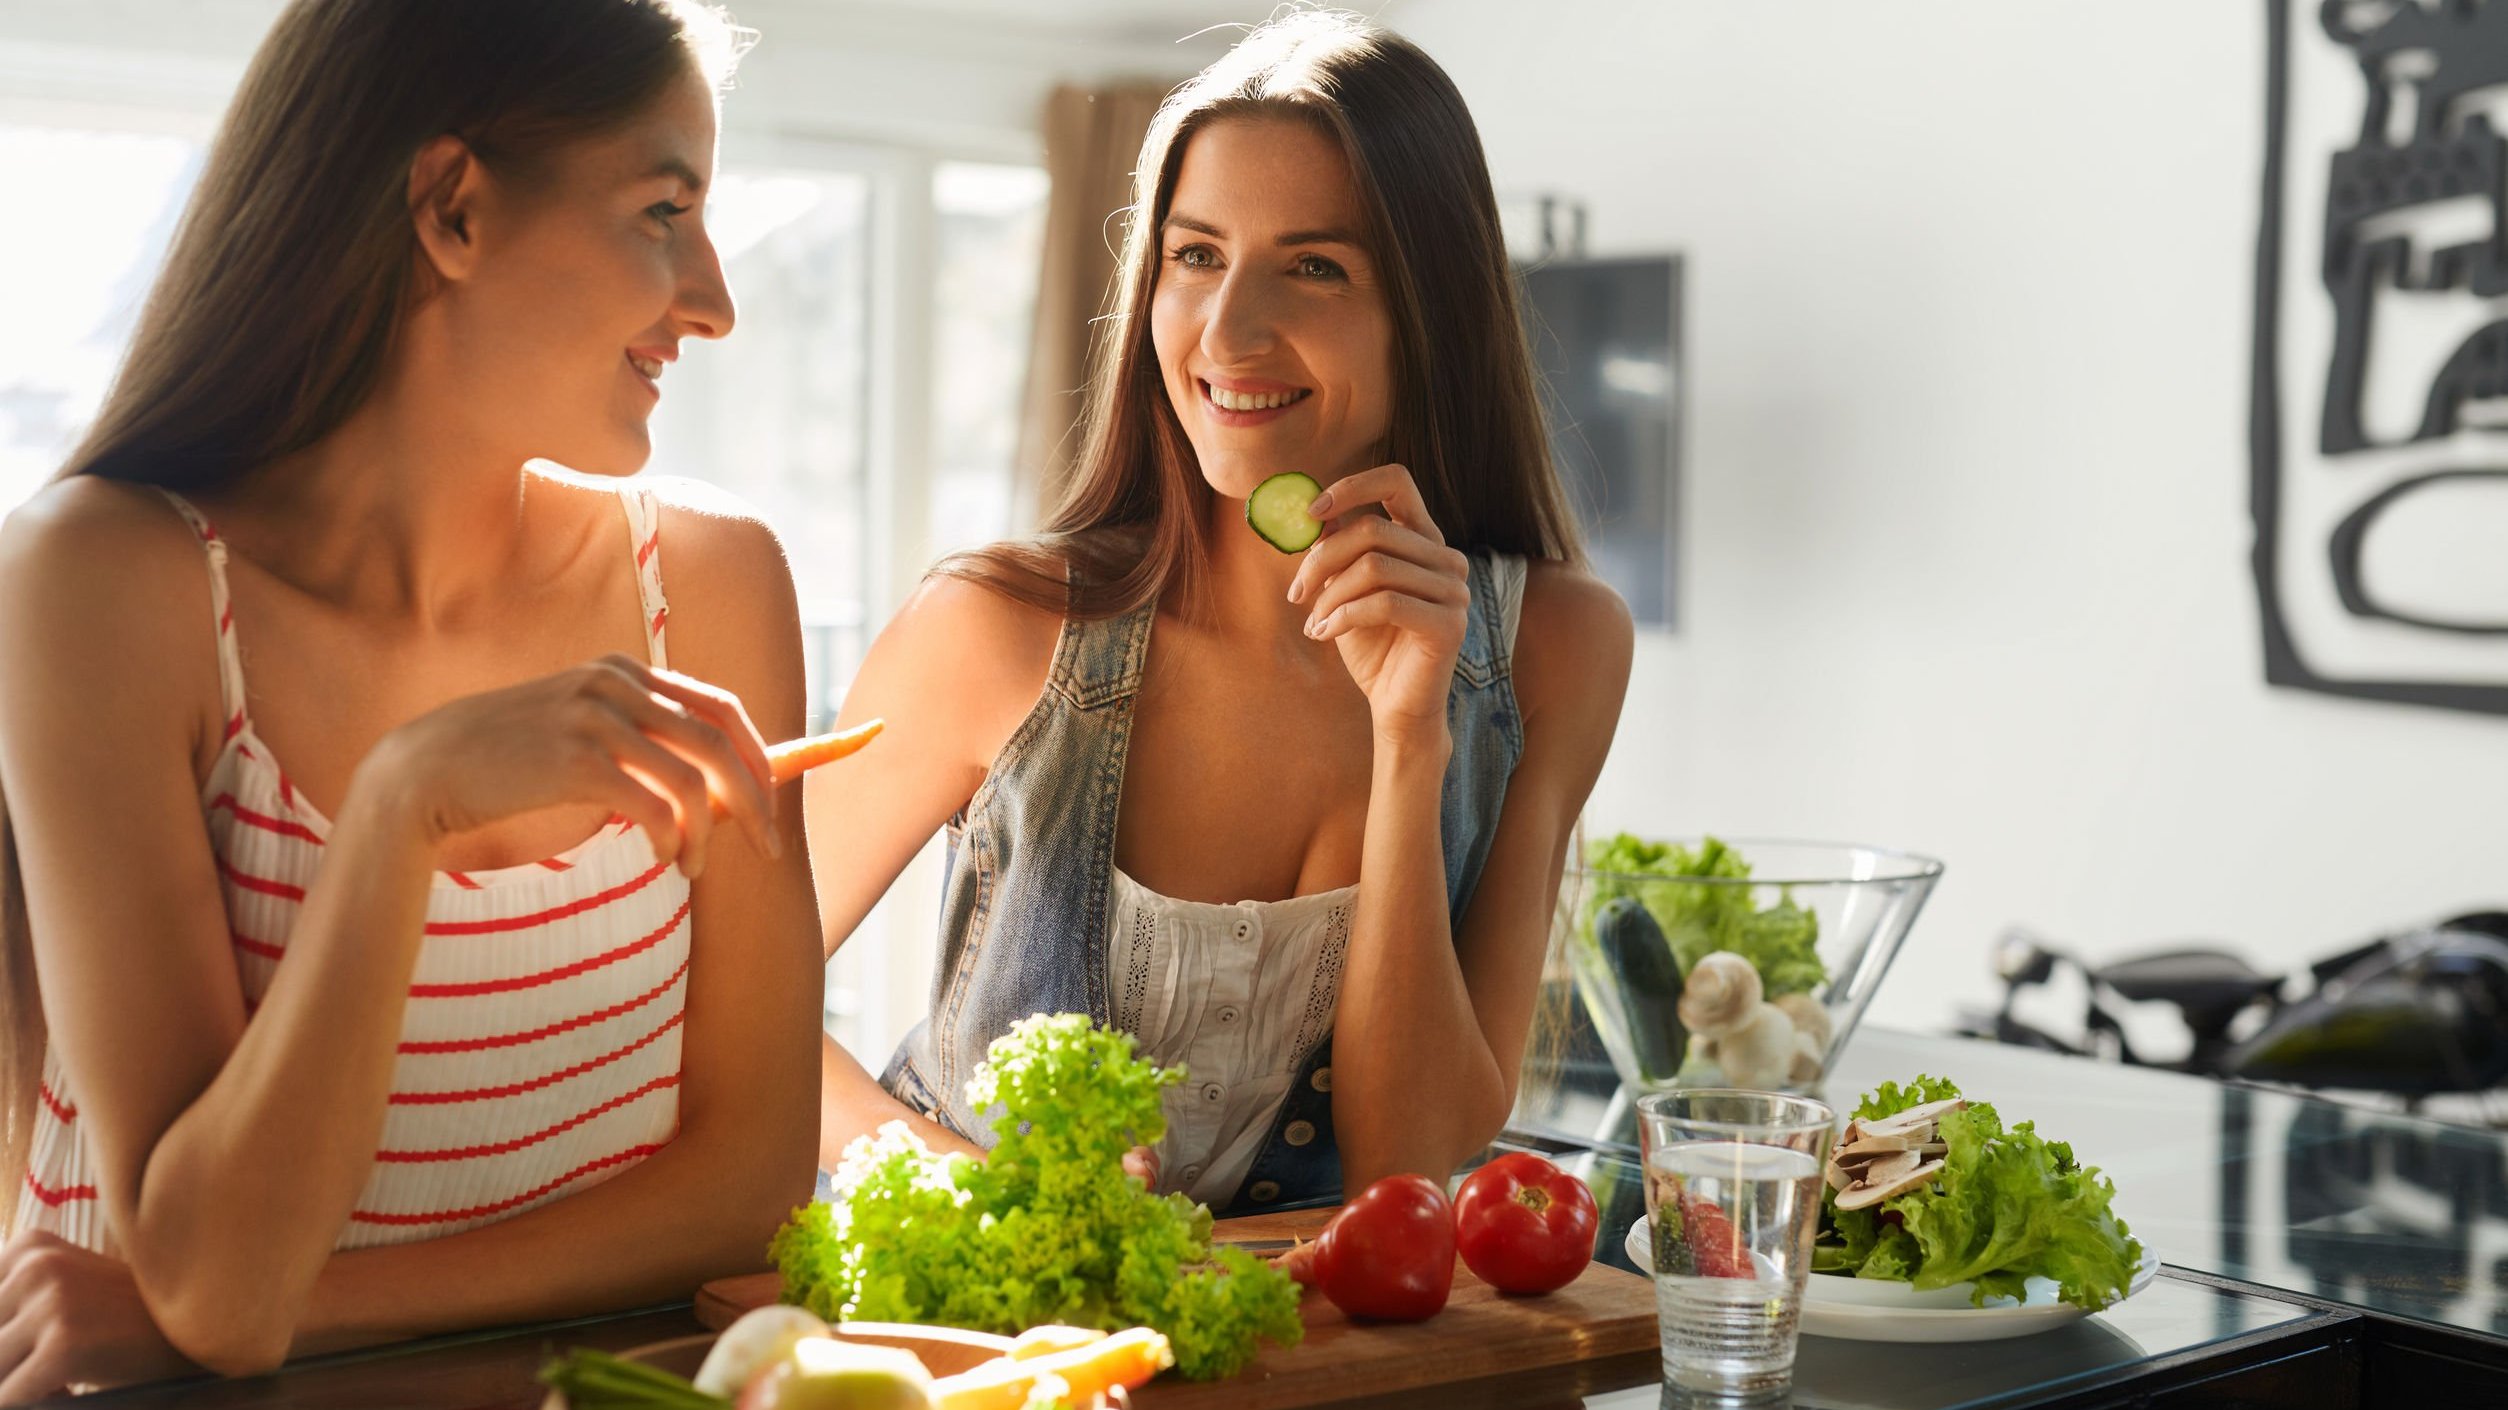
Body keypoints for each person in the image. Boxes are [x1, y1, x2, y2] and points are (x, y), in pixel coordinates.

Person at [0, 0, 821, 1395]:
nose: (715, 300)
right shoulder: (101, 581)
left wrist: (254, 1309)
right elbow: (219, 1262)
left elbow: (744, 1187)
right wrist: (400, 807)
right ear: (450, 207)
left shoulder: (715, 582)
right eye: (663, 209)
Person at [809, 9, 1633, 1214]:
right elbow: (732, 1003)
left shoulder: (1556, 648)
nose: (1226, 332)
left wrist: (1412, 737)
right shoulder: (995, 626)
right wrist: (978, 1193)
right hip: (971, 1346)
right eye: (1194, 256)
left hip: (1316, 1371)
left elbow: (1414, 1157)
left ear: (1430, 314)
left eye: (1313, 266)